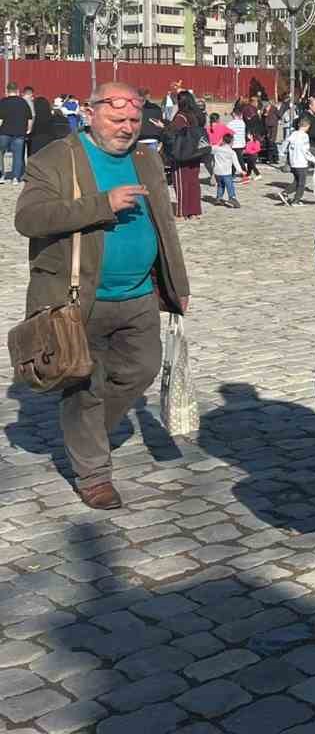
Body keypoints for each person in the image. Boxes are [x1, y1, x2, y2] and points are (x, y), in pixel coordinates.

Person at [14, 81, 191, 510]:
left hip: (138, 294)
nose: (127, 127)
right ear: (90, 114)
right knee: (84, 384)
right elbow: (29, 219)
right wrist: (101, 204)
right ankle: (93, 473)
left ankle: (84, 429)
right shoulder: (56, 159)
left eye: (133, 119)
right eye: (117, 119)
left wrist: (176, 284)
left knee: (142, 369)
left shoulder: (146, 157)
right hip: (76, 297)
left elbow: (164, 224)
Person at [170, 92, 205, 220]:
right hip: (195, 152)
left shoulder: (181, 116)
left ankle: (182, 212)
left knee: (181, 182)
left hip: (182, 152)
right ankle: (194, 211)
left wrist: (163, 127)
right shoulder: (197, 115)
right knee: (193, 182)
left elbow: (174, 132)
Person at [0, 82, 34, 182]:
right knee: (18, 155)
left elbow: (0, 119)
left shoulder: (3, 102)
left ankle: (2, 175)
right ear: (18, 91)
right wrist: (29, 129)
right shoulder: (23, 102)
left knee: (1, 153)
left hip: (4, 132)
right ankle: (15, 178)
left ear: (6, 91)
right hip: (19, 132)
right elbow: (30, 118)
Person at [283, 117, 313, 205]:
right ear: (307, 126)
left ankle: (285, 193)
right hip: (301, 163)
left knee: (296, 181)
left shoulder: (293, 134)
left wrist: (282, 153)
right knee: (301, 183)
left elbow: (285, 143)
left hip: (293, 162)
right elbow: (306, 151)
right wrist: (314, 160)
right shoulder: (304, 136)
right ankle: (296, 200)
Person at [212, 132, 241, 208]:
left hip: (217, 172)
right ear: (231, 142)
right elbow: (236, 163)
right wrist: (241, 171)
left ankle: (219, 198)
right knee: (230, 186)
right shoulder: (232, 152)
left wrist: (219, 142)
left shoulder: (216, 149)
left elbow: (211, 148)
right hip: (226, 173)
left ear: (223, 141)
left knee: (220, 185)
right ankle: (232, 198)